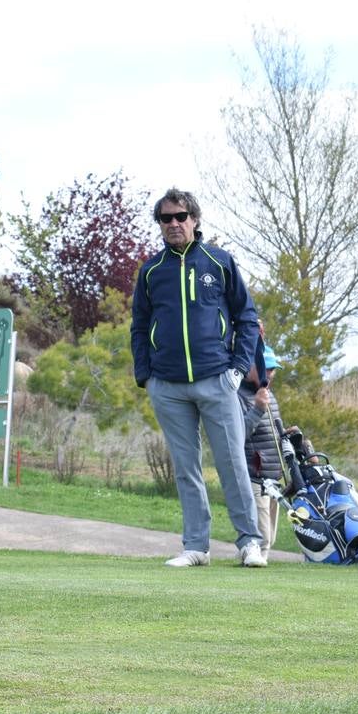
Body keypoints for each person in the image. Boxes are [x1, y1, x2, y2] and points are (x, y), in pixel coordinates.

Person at [131, 187, 266, 568]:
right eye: (165, 218)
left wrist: (237, 371)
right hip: (167, 386)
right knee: (185, 467)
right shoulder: (151, 271)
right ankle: (196, 547)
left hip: (217, 380)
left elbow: (247, 318)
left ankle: (249, 542)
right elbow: (139, 326)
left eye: (180, 216)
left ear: (195, 219)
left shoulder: (219, 262)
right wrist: (146, 376)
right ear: (159, 224)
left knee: (232, 464)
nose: (174, 223)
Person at [237, 344, 292, 556]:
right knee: (262, 539)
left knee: (271, 536)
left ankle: (248, 556)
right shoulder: (238, 395)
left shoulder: (268, 394)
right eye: (265, 368)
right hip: (254, 476)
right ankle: (253, 568)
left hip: (273, 477)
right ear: (249, 367)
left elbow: (275, 430)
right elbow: (238, 434)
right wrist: (258, 408)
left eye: (272, 369)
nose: (269, 373)